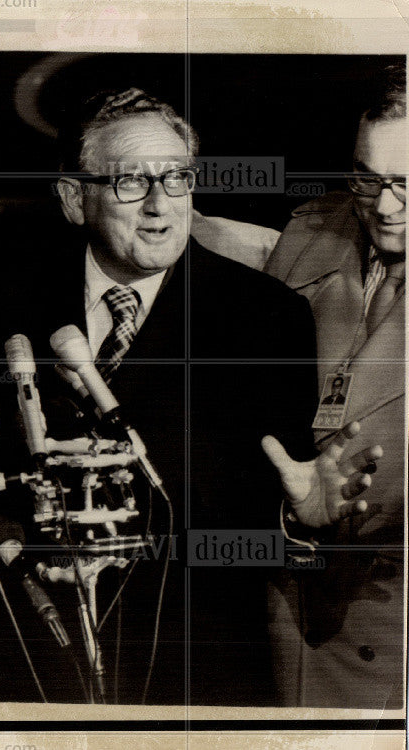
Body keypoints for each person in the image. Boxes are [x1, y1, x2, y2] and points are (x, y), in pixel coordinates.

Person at [0, 88, 377, 706]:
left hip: (194, 675)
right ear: (73, 198)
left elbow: (270, 517)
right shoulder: (7, 301)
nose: (158, 207)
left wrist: (299, 521)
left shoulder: (266, 317)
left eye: (175, 180)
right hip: (35, 661)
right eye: (128, 184)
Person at [264, 63, 405, 710]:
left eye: (406, 184)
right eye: (366, 178)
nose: (383, 206)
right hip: (288, 618)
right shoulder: (307, 233)